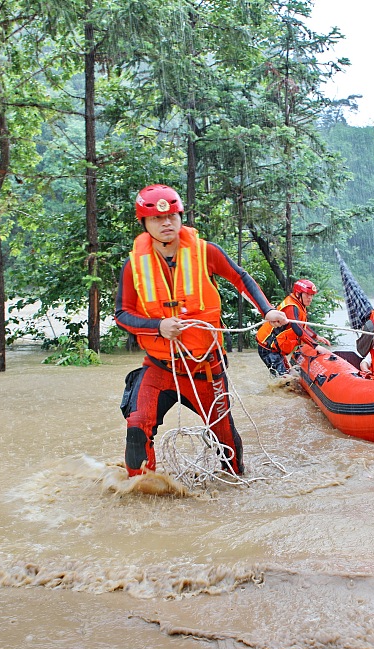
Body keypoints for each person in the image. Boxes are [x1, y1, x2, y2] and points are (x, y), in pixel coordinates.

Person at [114, 184, 289, 477]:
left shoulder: (204, 251)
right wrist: (158, 326)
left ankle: (234, 485)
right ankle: (140, 498)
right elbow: (122, 314)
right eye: (157, 218)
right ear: (144, 223)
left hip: (205, 368)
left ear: (181, 217)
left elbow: (240, 278)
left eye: (172, 216)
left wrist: (268, 310)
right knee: (137, 426)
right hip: (160, 367)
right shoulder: (134, 265)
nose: (166, 222)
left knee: (226, 438)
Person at [255, 278, 330, 376]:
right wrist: (316, 346)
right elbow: (297, 328)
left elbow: (302, 326)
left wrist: (316, 337)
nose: (310, 298)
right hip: (268, 348)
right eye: (307, 294)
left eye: (311, 295)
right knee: (283, 380)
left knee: (289, 375)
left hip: (275, 349)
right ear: (298, 294)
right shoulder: (291, 307)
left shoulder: (298, 304)